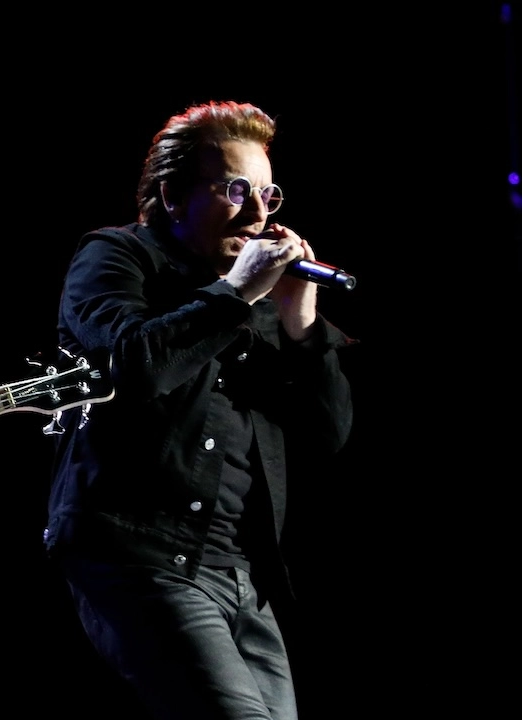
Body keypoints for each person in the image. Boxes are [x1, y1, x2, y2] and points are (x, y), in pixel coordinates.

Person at [44, 100, 356, 720]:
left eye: (268, 194)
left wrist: (300, 323)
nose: (259, 213)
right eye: (236, 189)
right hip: (139, 559)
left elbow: (329, 433)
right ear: (172, 196)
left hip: (243, 577)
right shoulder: (117, 256)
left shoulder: (261, 301)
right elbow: (134, 365)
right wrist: (236, 291)